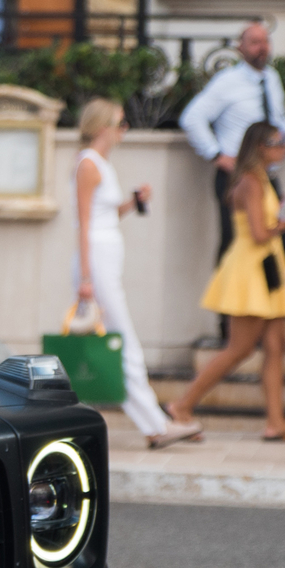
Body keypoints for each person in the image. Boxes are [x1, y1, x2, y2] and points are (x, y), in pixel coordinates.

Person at [169, 120, 285, 442]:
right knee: (239, 348)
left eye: (284, 141)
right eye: (277, 141)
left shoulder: (263, 178)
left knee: (276, 347)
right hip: (251, 268)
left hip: (266, 268)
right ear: (259, 146)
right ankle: (182, 405)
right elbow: (260, 234)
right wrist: (284, 222)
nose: (283, 147)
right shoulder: (251, 181)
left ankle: (276, 423)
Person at [73, 100, 200, 448]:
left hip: (104, 262)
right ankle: (156, 425)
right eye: (120, 122)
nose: (124, 129)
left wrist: (133, 201)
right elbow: (83, 224)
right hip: (96, 264)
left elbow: (106, 216)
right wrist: (85, 279)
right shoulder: (88, 164)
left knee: (121, 344)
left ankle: (154, 424)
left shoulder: (100, 164)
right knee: (124, 344)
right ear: (103, 127)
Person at [177, 21, 285, 255]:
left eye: (265, 41)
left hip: (266, 173)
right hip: (236, 175)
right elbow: (192, 118)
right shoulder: (227, 81)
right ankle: (227, 291)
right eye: (254, 42)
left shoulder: (271, 78)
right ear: (240, 48)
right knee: (233, 244)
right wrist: (216, 154)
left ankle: (262, 288)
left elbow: (276, 118)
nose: (262, 48)